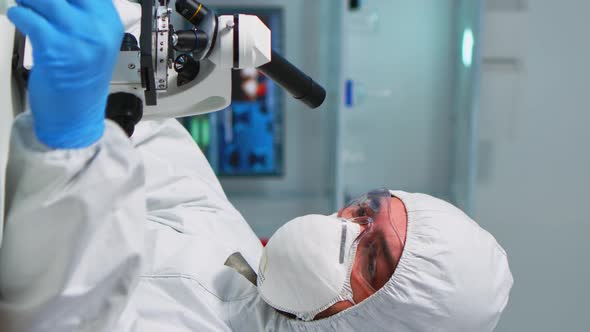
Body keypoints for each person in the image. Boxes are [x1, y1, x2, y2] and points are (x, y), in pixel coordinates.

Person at [0, 1, 513, 331]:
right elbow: (150, 144)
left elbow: (61, 319)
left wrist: (71, 141)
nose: (345, 228)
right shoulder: (233, 248)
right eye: (365, 211)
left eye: (372, 260)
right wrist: (131, 40)